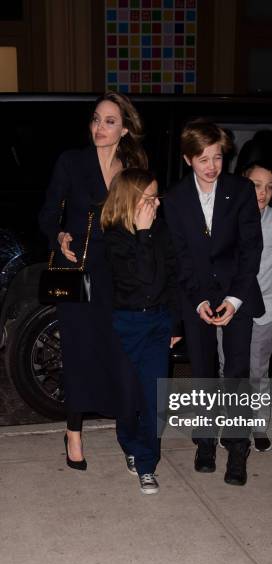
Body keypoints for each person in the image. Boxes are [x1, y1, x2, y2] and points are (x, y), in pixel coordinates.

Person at [39, 92, 147, 470]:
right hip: (78, 269)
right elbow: (49, 212)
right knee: (78, 350)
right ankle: (73, 433)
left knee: (120, 353)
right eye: (96, 119)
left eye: (109, 121)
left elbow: (142, 220)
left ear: (125, 129)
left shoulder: (132, 166)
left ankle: (127, 433)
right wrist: (59, 236)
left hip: (117, 273)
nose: (99, 127)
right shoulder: (72, 162)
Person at [164, 120, 264, 486]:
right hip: (197, 297)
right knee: (204, 373)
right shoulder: (174, 199)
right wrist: (199, 301)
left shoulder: (240, 190)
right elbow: (179, 257)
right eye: (203, 158)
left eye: (217, 157)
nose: (211, 166)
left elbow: (251, 247)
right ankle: (204, 442)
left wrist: (235, 300)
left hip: (238, 293)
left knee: (236, 374)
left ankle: (237, 449)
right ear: (189, 159)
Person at [101, 168, 181, 494]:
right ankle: (129, 444)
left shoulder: (161, 230)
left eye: (157, 197)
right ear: (130, 200)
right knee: (127, 399)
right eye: (149, 198)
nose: (156, 204)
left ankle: (147, 463)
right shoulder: (114, 237)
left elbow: (173, 277)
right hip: (125, 324)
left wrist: (175, 323)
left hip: (158, 323)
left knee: (153, 398)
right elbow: (143, 278)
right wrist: (144, 234)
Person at [218, 160, 272, 451]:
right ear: (243, 183)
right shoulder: (223, 216)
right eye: (256, 185)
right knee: (225, 368)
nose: (263, 192)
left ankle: (258, 424)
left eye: (269, 187)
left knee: (258, 370)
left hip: (263, 307)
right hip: (227, 307)